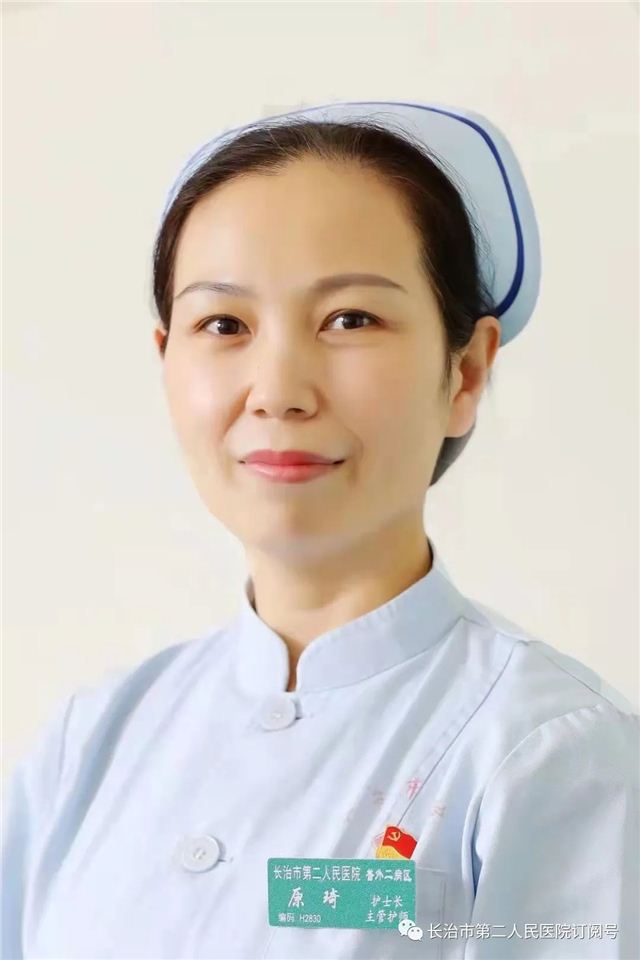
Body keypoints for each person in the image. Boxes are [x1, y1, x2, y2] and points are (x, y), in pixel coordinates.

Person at [2, 101, 638, 960]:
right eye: (223, 325)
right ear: (166, 362)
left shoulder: (550, 751)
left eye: (351, 319)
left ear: (465, 372)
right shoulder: (89, 743)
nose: (278, 391)